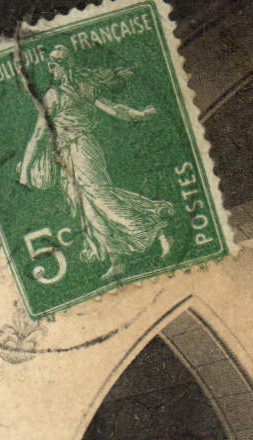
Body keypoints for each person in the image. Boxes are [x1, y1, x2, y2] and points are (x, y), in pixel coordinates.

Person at [18, 45, 175, 280]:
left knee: (102, 198)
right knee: (87, 210)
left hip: (82, 150)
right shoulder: (72, 90)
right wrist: (137, 114)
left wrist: (24, 173)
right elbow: (113, 109)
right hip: (67, 156)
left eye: (55, 65)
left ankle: (156, 226)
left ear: (64, 66)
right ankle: (117, 260)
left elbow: (39, 135)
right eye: (52, 66)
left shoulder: (61, 94)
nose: (53, 70)